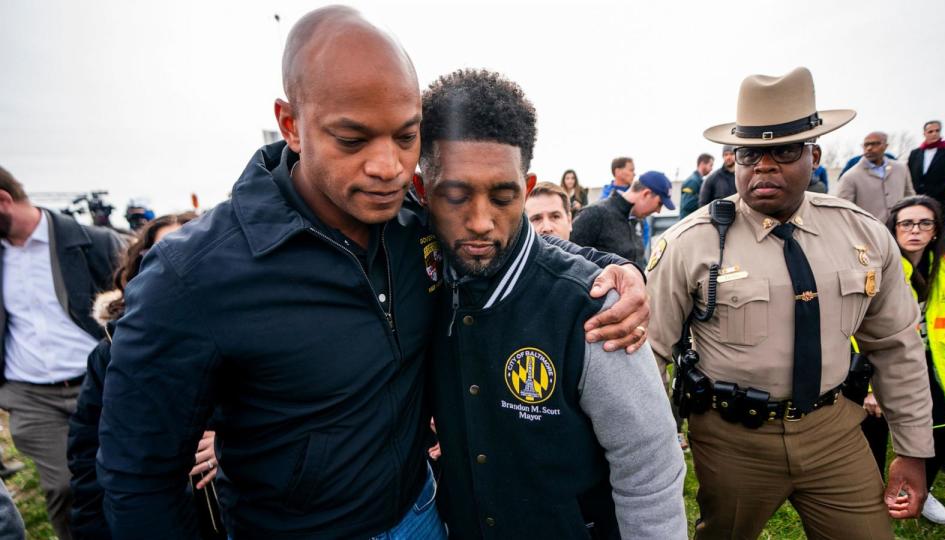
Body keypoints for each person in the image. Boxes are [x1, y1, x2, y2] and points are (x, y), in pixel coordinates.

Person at [97, 7, 648, 539]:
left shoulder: (418, 225)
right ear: (290, 124)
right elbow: (137, 474)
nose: (388, 166)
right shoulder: (194, 274)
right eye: (353, 139)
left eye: (406, 137)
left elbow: (512, 246)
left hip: (424, 516)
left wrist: (617, 270)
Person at [648, 66, 934, 539]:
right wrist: (651, 458)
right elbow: (650, 356)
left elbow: (895, 345)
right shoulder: (690, 244)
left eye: (783, 150)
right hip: (731, 439)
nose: (764, 166)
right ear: (733, 161)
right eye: (748, 153)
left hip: (835, 434)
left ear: (813, 155)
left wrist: (912, 448)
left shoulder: (862, 234)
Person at [418, 67, 686, 539]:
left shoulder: (596, 308)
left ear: (527, 185)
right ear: (423, 192)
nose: (481, 222)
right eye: (456, 197)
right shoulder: (418, 276)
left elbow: (649, 472)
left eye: (503, 197)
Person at [67, 212, 226, 540]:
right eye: (165, 250)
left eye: (198, 249)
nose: (182, 263)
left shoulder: (254, 334)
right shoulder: (114, 350)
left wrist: (229, 443)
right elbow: (89, 455)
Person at [0, 166, 122, 540]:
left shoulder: (94, 242)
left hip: (101, 383)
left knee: (120, 474)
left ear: (4, 200)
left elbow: (127, 300)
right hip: (31, 393)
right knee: (65, 486)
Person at [860, 195, 945, 525]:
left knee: (941, 432)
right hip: (880, 367)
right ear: (893, 229)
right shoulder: (877, 267)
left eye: (924, 223)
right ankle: (873, 494)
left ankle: (921, 489)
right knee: (873, 432)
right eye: (906, 223)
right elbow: (857, 329)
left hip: (937, 368)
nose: (915, 230)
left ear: (936, 230)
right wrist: (871, 386)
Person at [571, 171, 674, 267]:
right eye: (660, 204)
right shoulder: (594, 213)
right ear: (646, 194)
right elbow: (570, 258)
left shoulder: (638, 220)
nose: (658, 211)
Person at [836, 132, 915, 222]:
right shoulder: (850, 176)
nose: (869, 148)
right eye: (866, 145)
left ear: (885, 146)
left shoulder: (901, 169)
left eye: (875, 144)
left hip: (899, 229)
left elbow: (910, 197)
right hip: (869, 232)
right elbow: (843, 210)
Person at [908, 121, 945, 226]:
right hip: (917, 202)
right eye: (930, 131)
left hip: (940, 202)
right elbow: (909, 175)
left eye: (937, 131)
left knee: (940, 238)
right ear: (924, 134)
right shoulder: (915, 153)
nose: (934, 134)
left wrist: (939, 190)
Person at [680, 153, 714, 219]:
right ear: (702, 164)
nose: (712, 168)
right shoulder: (692, 181)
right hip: (687, 222)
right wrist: (707, 200)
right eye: (711, 165)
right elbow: (687, 204)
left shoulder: (700, 181)